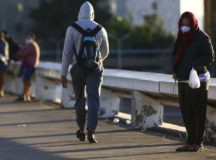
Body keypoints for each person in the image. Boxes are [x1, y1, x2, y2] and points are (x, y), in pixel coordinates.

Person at [61, 1, 109, 143]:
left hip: (78, 68)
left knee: (80, 99)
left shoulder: (72, 28)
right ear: (92, 14)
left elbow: (67, 53)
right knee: (94, 99)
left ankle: (81, 129)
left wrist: (63, 73)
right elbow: (105, 52)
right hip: (95, 69)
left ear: (79, 13)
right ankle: (91, 131)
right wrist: (96, 61)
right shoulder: (101, 29)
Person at [173, 12, 215, 152]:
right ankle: (189, 141)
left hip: (199, 80)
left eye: (187, 24)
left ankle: (198, 143)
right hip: (183, 79)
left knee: (198, 111)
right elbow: (176, 55)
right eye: (182, 24)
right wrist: (175, 69)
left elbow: (210, 57)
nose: (184, 27)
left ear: (193, 23)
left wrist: (194, 65)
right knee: (186, 111)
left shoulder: (202, 37)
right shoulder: (181, 37)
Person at [16, 33, 40, 102]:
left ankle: (25, 95)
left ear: (32, 38)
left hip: (29, 65)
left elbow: (22, 53)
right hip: (28, 65)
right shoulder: (31, 45)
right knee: (26, 80)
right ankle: (25, 95)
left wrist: (21, 50)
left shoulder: (31, 45)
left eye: (28, 38)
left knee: (26, 80)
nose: (27, 39)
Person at [0, 32, 9, 97]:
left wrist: (2, 57)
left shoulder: (4, 43)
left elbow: (6, 55)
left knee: (1, 77)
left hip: (2, 63)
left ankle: (1, 90)